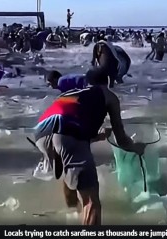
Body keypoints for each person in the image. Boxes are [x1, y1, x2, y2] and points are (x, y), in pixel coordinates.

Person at [33, 67, 146, 225]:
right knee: (92, 202)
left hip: (41, 132)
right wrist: (136, 148)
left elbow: (67, 125)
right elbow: (122, 140)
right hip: (65, 131)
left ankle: (72, 214)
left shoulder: (72, 93)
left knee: (69, 174)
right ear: (107, 82)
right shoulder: (109, 96)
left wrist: (97, 137)